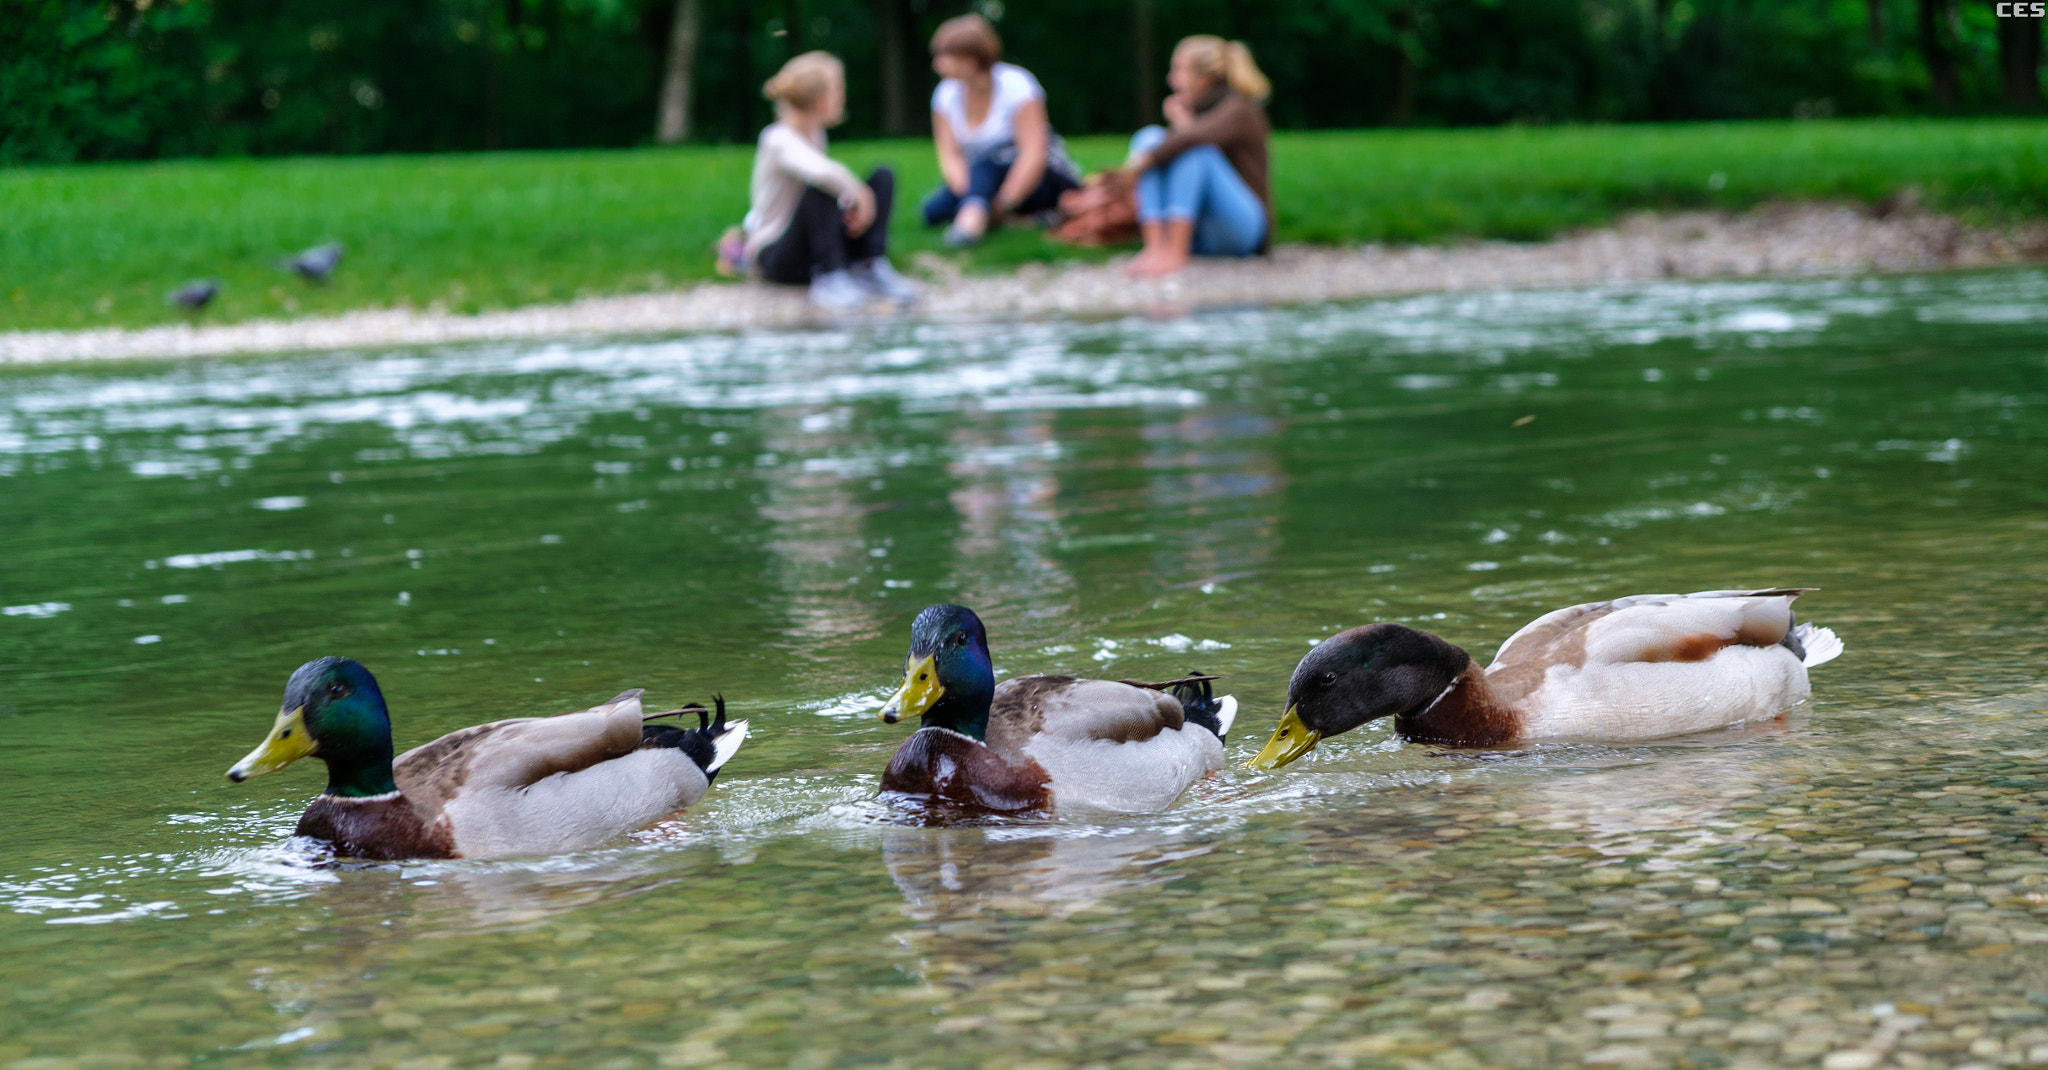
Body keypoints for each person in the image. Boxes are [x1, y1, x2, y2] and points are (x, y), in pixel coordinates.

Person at [742, 51, 918, 309]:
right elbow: (820, 172)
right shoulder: (777, 138)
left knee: (883, 175)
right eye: (839, 89)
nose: (842, 97)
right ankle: (830, 277)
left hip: (814, 243)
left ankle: (869, 264)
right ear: (822, 100)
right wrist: (858, 193)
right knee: (822, 189)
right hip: (778, 254)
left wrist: (852, 202)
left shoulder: (816, 135)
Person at [921, 14, 1080, 246]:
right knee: (933, 212)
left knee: (985, 166)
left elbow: (1034, 154)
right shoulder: (945, 95)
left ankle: (971, 224)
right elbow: (950, 155)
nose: (937, 64)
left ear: (970, 61)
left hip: (1036, 178)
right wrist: (974, 196)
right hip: (980, 180)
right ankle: (1005, 217)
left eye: (944, 57)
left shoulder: (1017, 86)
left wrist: (1003, 203)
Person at [1122, 36, 1273, 278]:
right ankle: (1156, 248)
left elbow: (1192, 140)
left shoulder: (1240, 109)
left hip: (1243, 230)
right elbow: (1175, 147)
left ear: (1203, 80)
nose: (1170, 79)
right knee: (1148, 136)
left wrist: (1139, 164)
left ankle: (1174, 252)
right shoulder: (1196, 114)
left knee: (1194, 151)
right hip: (1204, 234)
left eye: (1178, 70)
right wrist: (1176, 131)